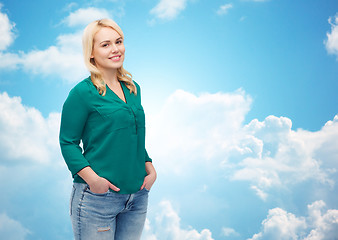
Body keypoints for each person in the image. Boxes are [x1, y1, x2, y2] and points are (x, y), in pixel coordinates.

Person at [59, 18, 156, 240]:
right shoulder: (82, 93)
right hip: (97, 199)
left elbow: (133, 135)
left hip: (137, 197)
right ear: (91, 53)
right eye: (105, 44)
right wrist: (94, 180)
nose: (115, 49)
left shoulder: (133, 88)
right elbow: (68, 142)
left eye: (118, 42)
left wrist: (149, 167)